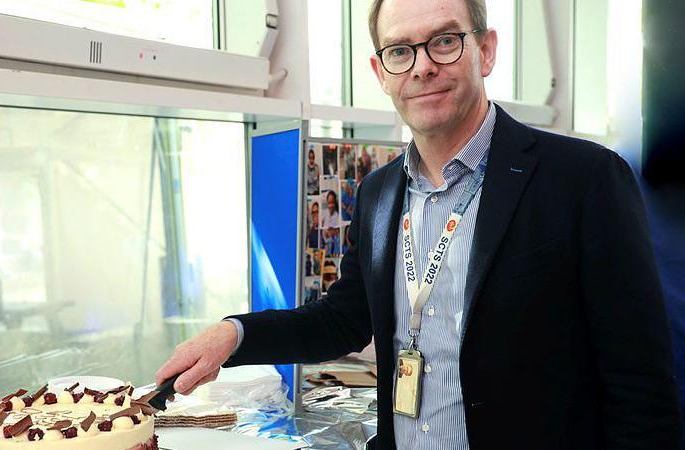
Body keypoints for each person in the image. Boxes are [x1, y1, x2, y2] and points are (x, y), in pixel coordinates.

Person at [156, 0, 682, 448]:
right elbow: (342, 319)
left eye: (445, 42)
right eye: (401, 51)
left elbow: (641, 383)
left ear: (487, 50)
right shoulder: (379, 193)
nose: (423, 66)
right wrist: (235, 334)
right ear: (381, 71)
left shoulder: (584, 178)